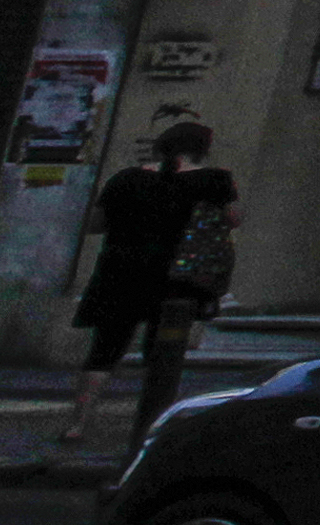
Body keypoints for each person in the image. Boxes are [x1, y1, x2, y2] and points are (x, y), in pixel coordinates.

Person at [67, 120, 238, 443]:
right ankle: (149, 426)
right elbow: (232, 220)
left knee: (103, 352)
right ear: (202, 148)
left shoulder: (127, 178)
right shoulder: (214, 181)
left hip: (119, 274)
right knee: (162, 356)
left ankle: (78, 423)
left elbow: (95, 225)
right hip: (177, 281)